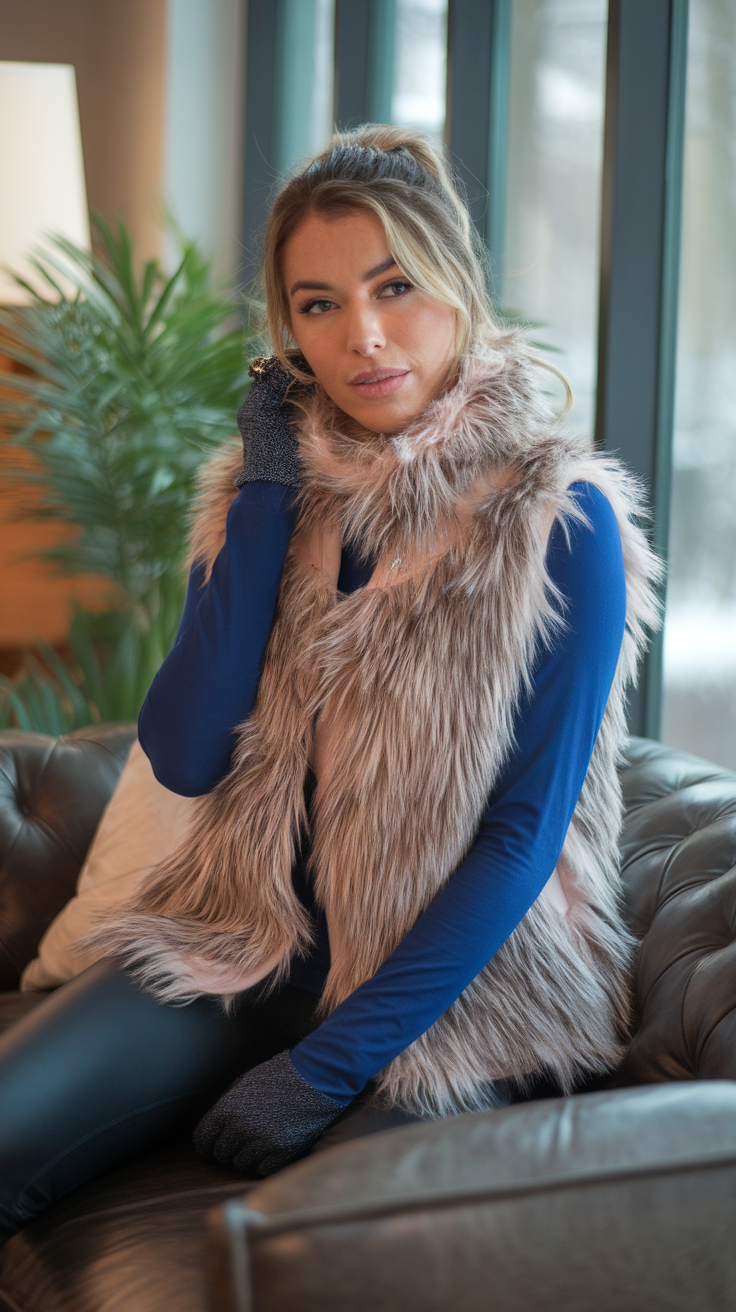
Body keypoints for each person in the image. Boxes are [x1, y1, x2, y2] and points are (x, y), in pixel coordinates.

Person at [0, 125, 660, 1244]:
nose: (361, 336)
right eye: (316, 304)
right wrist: (263, 496)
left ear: (458, 285)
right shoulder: (262, 496)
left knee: (327, 1248)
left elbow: (522, 837)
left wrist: (328, 1064)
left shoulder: (560, 518)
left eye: (393, 285)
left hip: (466, 985)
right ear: (287, 331)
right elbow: (191, 751)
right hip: (246, 939)